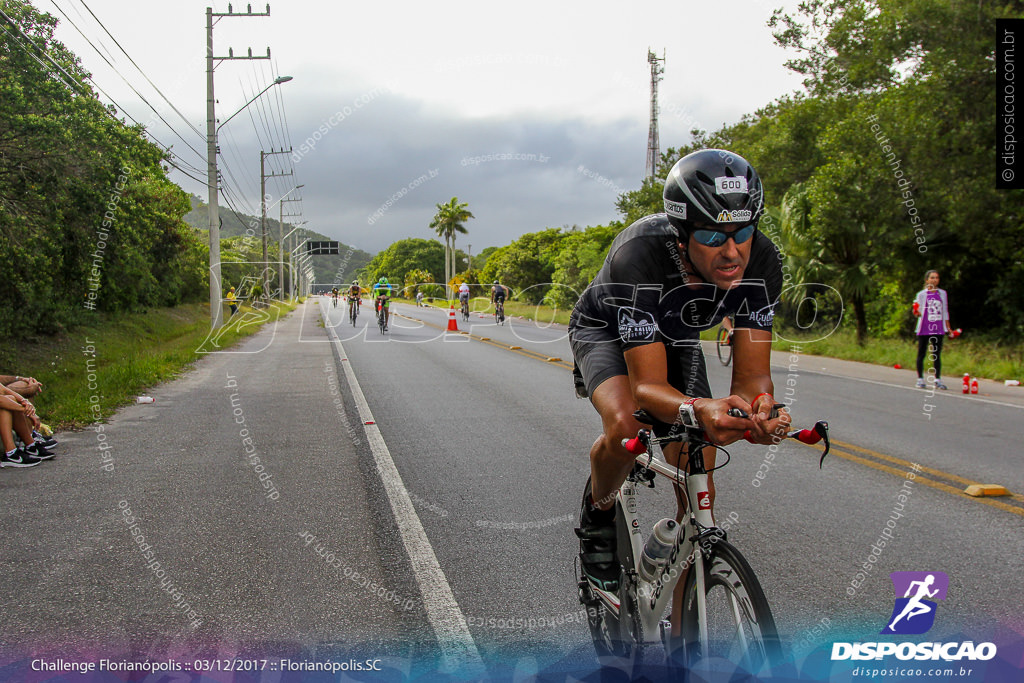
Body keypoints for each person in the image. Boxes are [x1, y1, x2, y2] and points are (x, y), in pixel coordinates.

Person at [569, 149, 790, 602]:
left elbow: (752, 380)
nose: (733, 252)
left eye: (743, 231)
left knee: (700, 465)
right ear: (681, 231)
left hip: (676, 333)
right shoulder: (641, 255)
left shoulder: (764, 261)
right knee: (630, 424)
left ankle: (684, 633)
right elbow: (647, 389)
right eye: (712, 235)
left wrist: (759, 411)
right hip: (607, 330)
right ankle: (598, 513)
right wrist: (700, 407)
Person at [913, 270, 953, 390]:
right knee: (922, 353)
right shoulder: (921, 294)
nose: (935, 280)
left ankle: (937, 379)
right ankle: (920, 379)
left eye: (936, 278)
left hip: (938, 328)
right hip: (925, 327)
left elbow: (945, 311)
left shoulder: (942, 293)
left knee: (936, 354)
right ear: (927, 280)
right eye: (932, 278)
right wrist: (916, 312)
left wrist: (948, 327)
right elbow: (917, 311)